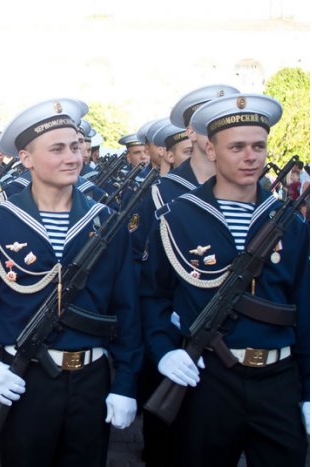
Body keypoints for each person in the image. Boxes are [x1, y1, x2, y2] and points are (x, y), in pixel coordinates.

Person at [0, 98, 142, 467]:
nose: (72, 157)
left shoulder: (106, 222)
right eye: (57, 149)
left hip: (90, 379)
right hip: (25, 379)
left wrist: (125, 384)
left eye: (75, 147)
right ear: (26, 158)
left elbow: (127, 310)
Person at [140, 93, 309, 467]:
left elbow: (306, 306)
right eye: (237, 147)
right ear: (211, 150)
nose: (251, 157)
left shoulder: (288, 221)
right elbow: (152, 296)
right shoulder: (178, 217)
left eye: (258, 146)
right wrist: (164, 349)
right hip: (208, 378)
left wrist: (309, 388)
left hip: (278, 379)